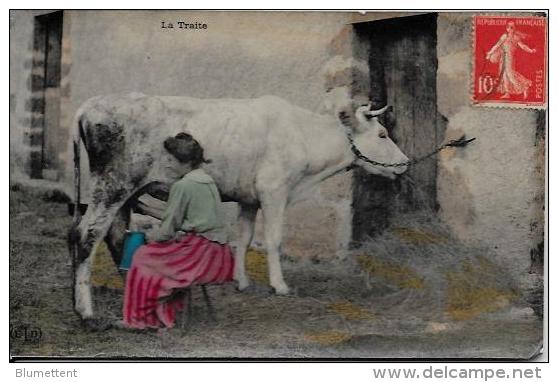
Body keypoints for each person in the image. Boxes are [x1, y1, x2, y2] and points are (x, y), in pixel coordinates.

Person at [118, 133, 234, 329]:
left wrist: (150, 237)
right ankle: (161, 308)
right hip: (219, 254)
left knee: (141, 255)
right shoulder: (206, 181)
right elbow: (180, 215)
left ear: (185, 162)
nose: (167, 164)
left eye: (171, 160)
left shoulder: (183, 185)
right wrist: (144, 208)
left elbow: (168, 229)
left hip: (198, 254)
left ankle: (141, 318)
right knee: (153, 252)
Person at [486, 21, 537, 99]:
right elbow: (497, 45)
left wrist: (531, 50)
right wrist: (490, 53)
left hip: (510, 58)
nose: (511, 29)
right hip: (503, 58)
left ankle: (524, 88)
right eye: (510, 27)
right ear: (507, 28)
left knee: (510, 75)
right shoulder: (504, 36)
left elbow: (523, 46)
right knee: (504, 75)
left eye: (513, 27)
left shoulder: (516, 37)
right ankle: (507, 93)